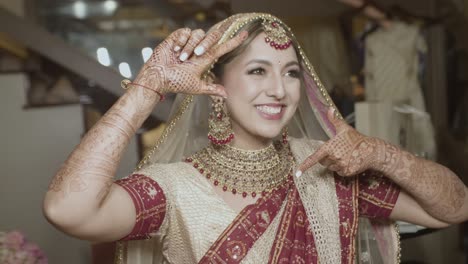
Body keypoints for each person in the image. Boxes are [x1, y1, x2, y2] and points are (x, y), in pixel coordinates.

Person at [43, 13, 468, 264]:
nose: (280, 91)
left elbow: (455, 207)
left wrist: (382, 153)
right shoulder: (173, 189)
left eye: (290, 73)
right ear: (216, 84)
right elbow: (68, 210)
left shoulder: (328, 166)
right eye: (257, 71)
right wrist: (147, 89)